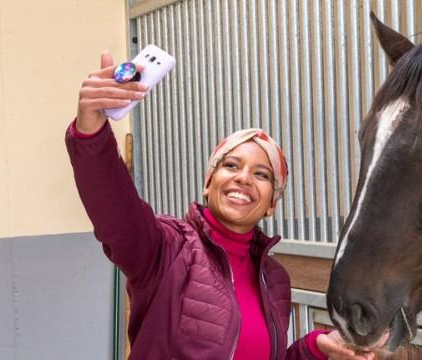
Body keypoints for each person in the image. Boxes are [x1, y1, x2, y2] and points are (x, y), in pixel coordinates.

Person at [66, 51, 378, 360]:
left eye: (261, 174)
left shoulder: (275, 278)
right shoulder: (167, 248)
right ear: (208, 182)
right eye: (231, 165)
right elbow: (115, 210)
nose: (244, 178)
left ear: (272, 203)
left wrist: (313, 348)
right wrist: (91, 133)